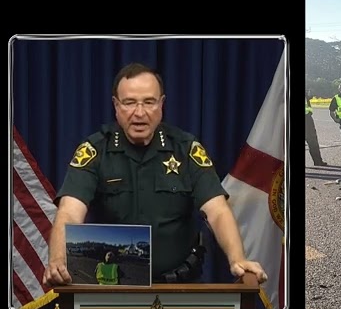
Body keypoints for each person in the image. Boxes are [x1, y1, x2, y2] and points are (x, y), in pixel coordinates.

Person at [42, 63, 269, 288]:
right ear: (116, 106)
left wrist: (237, 259)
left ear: (161, 104)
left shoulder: (186, 149)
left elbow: (217, 211)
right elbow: (70, 212)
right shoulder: (95, 150)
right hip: (114, 289)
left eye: (149, 102)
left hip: (182, 287)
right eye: (129, 103)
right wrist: (58, 261)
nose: (139, 113)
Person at [304, 90, 328, 166]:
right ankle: (318, 161)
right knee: (312, 140)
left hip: (307, 118)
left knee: (313, 141)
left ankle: (318, 161)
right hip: (306, 119)